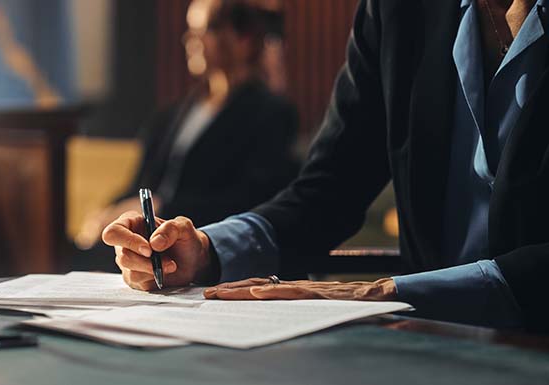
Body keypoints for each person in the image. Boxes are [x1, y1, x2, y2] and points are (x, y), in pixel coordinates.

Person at [103, 0, 549, 333]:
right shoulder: (397, 10)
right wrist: (206, 251)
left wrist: (383, 293)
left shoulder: (263, 110)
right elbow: (328, 189)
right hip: (428, 345)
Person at [74, 0, 299, 250]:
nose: (190, 39)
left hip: (202, 244)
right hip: (146, 237)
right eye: (191, 30)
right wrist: (106, 213)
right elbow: (141, 183)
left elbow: (249, 199)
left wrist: (163, 208)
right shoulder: (173, 113)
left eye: (206, 29)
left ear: (243, 38)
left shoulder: (271, 113)